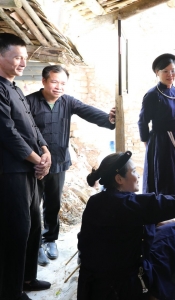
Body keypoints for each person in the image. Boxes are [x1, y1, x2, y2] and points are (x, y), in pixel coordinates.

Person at [77, 151, 175, 300]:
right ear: (119, 179)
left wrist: (152, 222)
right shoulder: (131, 205)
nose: (138, 175)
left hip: (90, 288)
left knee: (162, 226)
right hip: (121, 290)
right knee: (172, 232)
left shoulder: (95, 202)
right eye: (133, 172)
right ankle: (162, 293)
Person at [26, 65, 116, 267]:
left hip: (58, 162)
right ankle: (35, 245)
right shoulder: (29, 102)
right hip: (36, 164)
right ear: (44, 81)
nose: (59, 87)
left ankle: (50, 240)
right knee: (33, 206)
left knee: (53, 203)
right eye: (54, 82)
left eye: (63, 83)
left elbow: (88, 112)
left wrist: (109, 119)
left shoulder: (68, 102)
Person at [0, 33, 52, 300]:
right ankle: (10, 290)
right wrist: (37, 159)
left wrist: (45, 151)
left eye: (25, 57)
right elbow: (7, 132)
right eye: (17, 57)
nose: (23, 62)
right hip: (11, 172)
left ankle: (27, 278)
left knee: (33, 224)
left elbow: (32, 126)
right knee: (16, 229)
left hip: (30, 169)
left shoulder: (16, 88)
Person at [138, 53, 175, 197]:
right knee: (165, 179)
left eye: (173, 70)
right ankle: (162, 215)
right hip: (161, 142)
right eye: (165, 71)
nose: (170, 74)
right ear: (157, 72)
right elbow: (143, 121)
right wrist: (147, 142)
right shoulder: (152, 95)